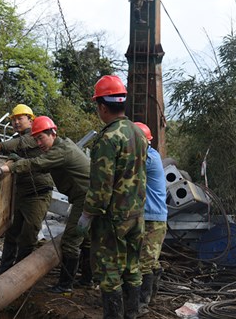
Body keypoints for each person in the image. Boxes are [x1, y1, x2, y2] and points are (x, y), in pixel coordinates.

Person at [0, 115, 91, 294]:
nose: (39, 142)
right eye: (36, 139)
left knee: (71, 241)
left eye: (41, 137)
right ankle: (87, 279)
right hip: (86, 196)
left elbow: (38, 163)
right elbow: (42, 165)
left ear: (52, 133)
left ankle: (66, 285)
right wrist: (19, 161)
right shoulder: (60, 148)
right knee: (85, 238)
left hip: (85, 198)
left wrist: (4, 168)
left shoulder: (61, 150)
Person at [77, 75, 148, 319]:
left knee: (109, 273)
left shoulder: (107, 139)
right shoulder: (138, 133)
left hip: (112, 219)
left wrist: (87, 215)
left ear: (102, 106)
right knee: (132, 268)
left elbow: (100, 189)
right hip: (137, 214)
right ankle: (132, 314)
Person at [0, 104, 54, 279]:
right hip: (21, 194)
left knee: (28, 236)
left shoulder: (35, 136)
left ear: (31, 119)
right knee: (12, 233)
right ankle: (5, 270)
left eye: (19, 118)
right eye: (13, 119)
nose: (15, 122)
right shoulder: (19, 139)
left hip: (38, 195)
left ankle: (19, 276)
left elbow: (21, 143)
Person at [134, 122, 167, 313]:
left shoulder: (148, 157)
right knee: (150, 260)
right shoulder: (149, 154)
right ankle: (150, 297)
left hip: (154, 219)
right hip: (148, 217)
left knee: (143, 263)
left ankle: (141, 304)